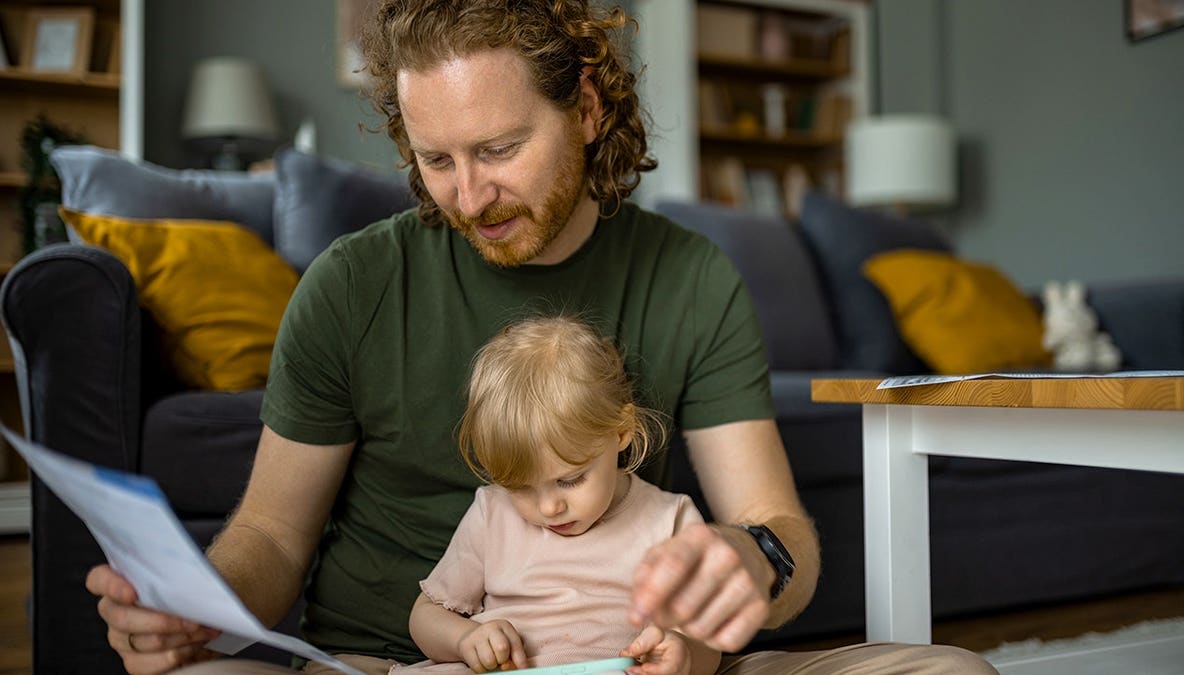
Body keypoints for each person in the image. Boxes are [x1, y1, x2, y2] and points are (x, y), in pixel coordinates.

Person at [85, 2, 998, 674]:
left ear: (589, 109)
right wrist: (195, 608)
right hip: (391, 665)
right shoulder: (351, 283)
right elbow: (273, 540)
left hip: (639, 665)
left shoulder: (692, 278)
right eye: (436, 159)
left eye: (499, 149)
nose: (468, 197)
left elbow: (778, 530)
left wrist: (750, 561)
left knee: (953, 673)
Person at [401, 315, 719, 675]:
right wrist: (465, 638)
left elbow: (708, 639)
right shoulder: (493, 514)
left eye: (570, 480)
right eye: (520, 487)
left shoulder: (669, 521)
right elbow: (425, 616)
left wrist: (685, 655)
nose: (549, 507)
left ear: (621, 432)